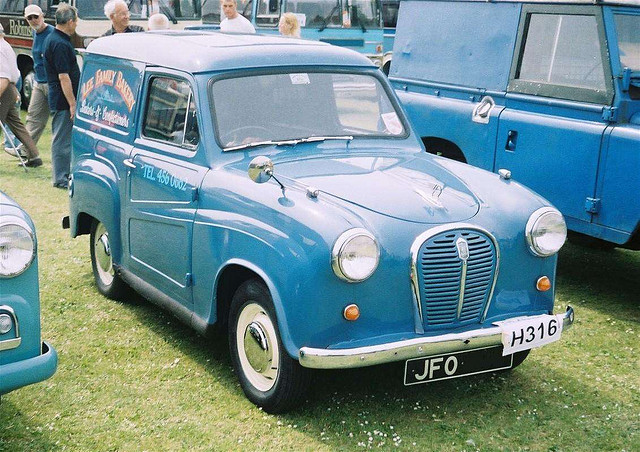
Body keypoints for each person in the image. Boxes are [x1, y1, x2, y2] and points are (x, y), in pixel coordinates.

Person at [43, 4, 80, 188]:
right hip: (62, 98)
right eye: (76, 21)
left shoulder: (57, 39)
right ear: (70, 21)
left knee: (64, 137)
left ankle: (64, 173)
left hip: (61, 97)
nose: (76, 25)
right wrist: (72, 103)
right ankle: (60, 178)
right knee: (62, 138)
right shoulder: (59, 43)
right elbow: (63, 77)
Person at [0, 24, 42, 167]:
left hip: (4, 90)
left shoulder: (0, 48)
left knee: (16, 125)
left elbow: (4, 77)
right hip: (10, 90)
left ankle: (33, 155)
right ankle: (34, 155)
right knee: (17, 125)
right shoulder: (6, 45)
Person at [24, 4, 54, 145]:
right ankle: (27, 150)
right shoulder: (34, 33)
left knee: (58, 118)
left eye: (36, 16)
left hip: (52, 83)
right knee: (33, 116)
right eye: (30, 18)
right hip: (39, 81)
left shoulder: (52, 34)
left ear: (42, 16)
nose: (33, 20)